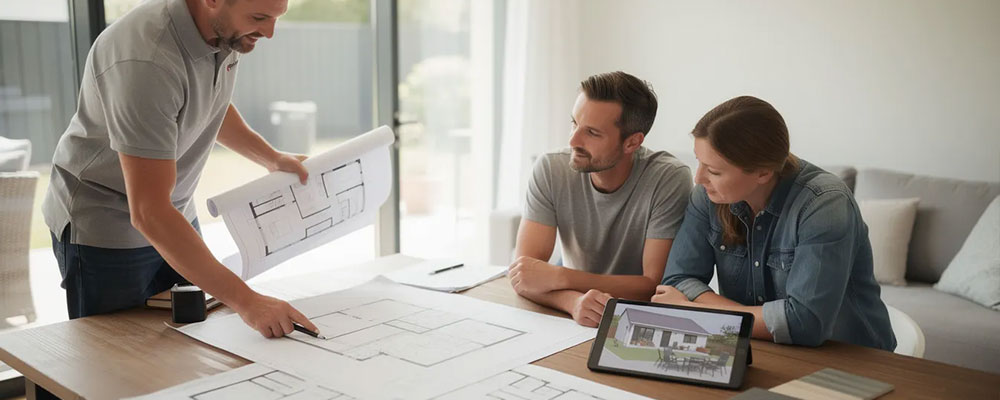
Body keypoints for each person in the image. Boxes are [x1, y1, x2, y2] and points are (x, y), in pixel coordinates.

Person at [42, 0, 319, 338]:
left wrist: (271, 158)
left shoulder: (225, 32)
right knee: (120, 359)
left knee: (190, 342)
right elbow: (148, 212)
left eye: (277, 18)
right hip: (107, 224)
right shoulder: (147, 60)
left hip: (173, 211)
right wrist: (248, 301)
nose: (269, 32)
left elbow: (209, 102)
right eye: (259, 18)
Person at [654, 96, 896, 350]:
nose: (698, 178)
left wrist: (694, 310)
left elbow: (805, 324)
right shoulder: (708, 195)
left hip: (852, 360)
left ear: (763, 172)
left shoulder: (824, 204)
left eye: (714, 171)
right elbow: (677, 280)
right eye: (698, 161)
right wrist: (744, 319)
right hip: (760, 348)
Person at [508, 71, 693, 327]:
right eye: (574, 124)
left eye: (592, 133)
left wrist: (561, 277)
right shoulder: (551, 168)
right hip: (577, 316)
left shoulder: (668, 179)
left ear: (632, 142)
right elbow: (524, 275)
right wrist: (572, 303)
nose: (573, 141)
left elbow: (652, 285)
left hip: (638, 321)